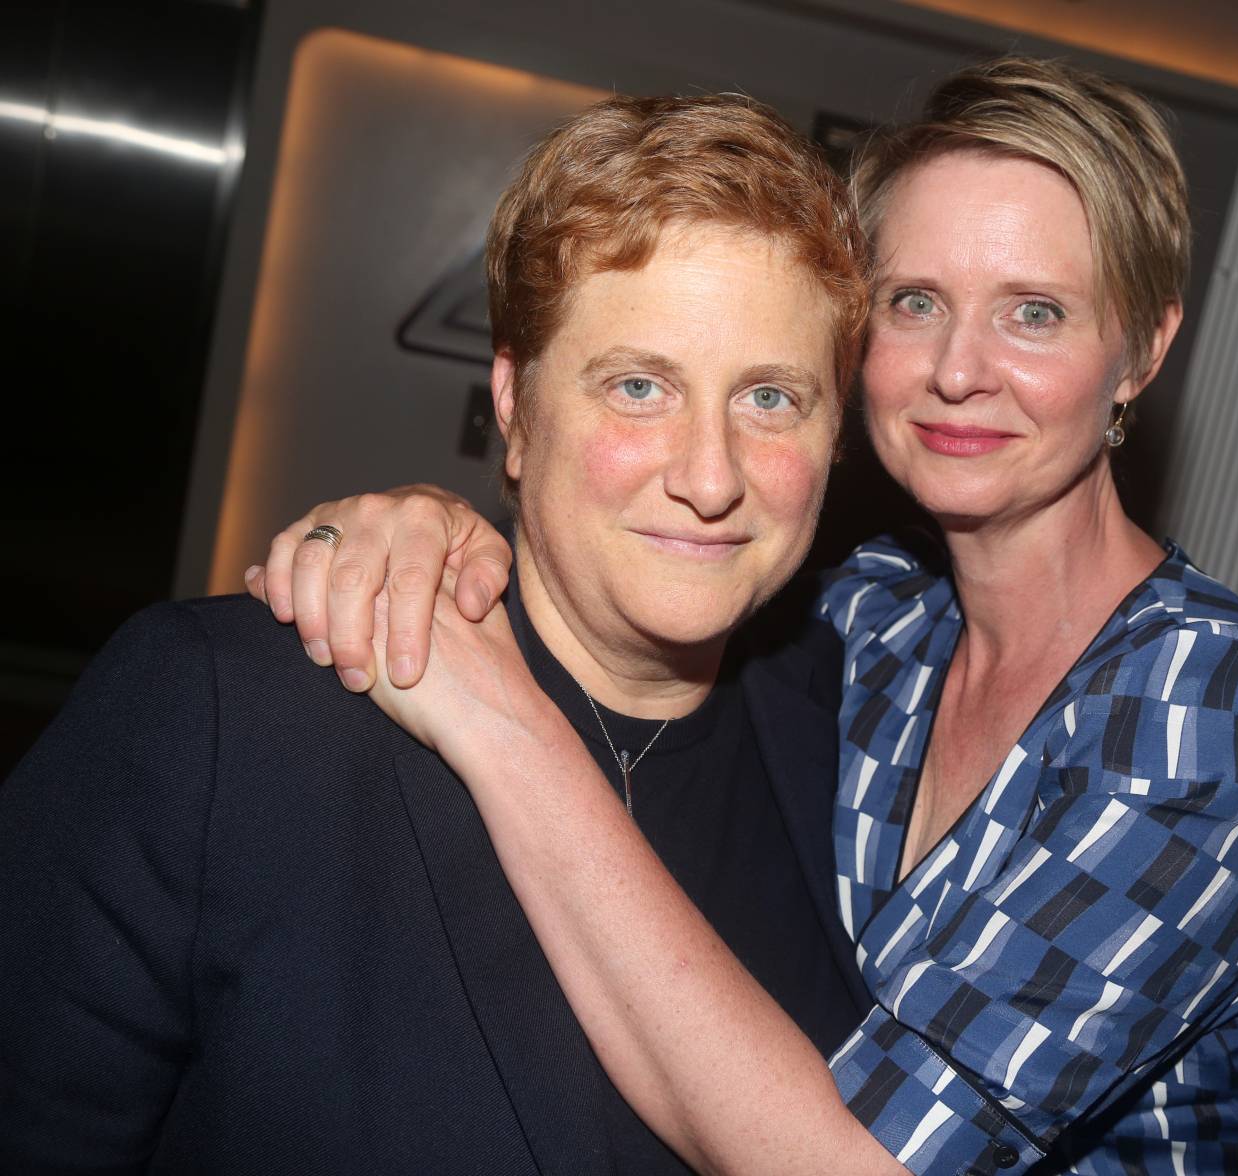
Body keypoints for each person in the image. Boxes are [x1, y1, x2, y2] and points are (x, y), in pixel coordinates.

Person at [255, 59, 1238, 1174]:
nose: (959, 370)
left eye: (1035, 312)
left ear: (1143, 350)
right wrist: (424, 525)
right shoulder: (868, 616)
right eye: (914, 303)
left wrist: (497, 722)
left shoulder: (1205, 709)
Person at [0, 93, 879, 1175]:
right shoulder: (230, 714)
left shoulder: (863, 765)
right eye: (639, 386)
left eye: (772, 401)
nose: (708, 476)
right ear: (513, 404)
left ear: (838, 431)